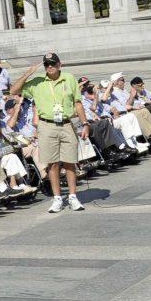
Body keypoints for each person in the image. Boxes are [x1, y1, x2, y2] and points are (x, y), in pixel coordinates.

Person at [10, 52, 89, 213]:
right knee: (52, 163)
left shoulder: (69, 78)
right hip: (46, 125)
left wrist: (85, 123)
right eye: (47, 64)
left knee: (69, 161)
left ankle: (73, 196)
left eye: (53, 63)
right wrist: (28, 73)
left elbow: (78, 103)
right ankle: (57, 198)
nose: (50, 66)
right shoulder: (37, 82)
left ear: (59, 64)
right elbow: (13, 90)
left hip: (66, 123)